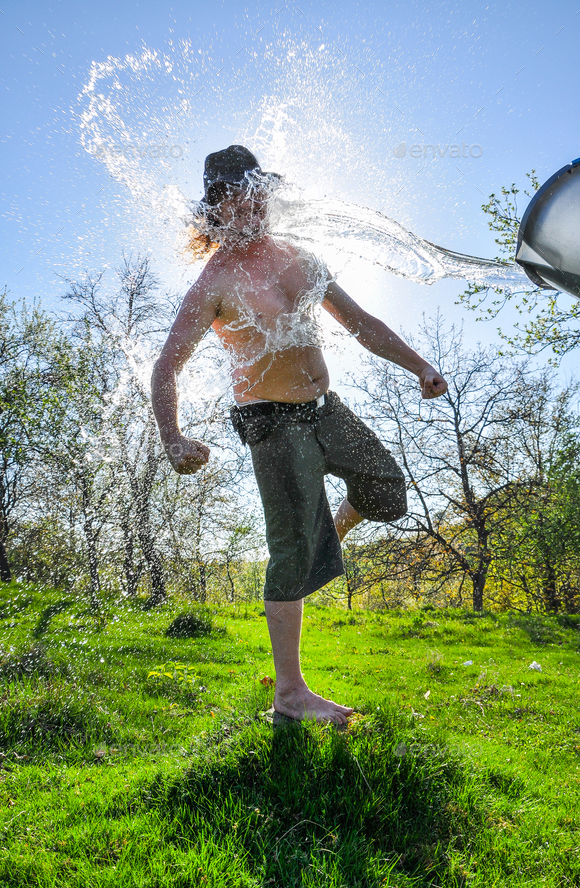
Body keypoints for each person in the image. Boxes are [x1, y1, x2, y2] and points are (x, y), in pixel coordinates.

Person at [151, 145, 448, 725]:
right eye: (241, 193)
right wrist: (173, 438)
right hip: (271, 422)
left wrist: (419, 366)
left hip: (324, 408)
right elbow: (166, 367)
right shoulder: (212, 282)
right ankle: (289, 695)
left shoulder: (298, 256)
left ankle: (327, 529)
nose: (256, 201)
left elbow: (361, 323)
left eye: (262, 189)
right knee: (290, 554)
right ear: (218, 206)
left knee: (387, 490)